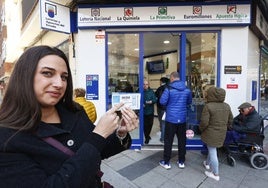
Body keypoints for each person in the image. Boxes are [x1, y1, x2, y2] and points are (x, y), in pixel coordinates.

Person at [0, 45, 139, 188]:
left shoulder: (74, 111)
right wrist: (98, 134)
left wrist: (120, 133)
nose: (59, 84)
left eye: (64, 77)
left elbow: (96, 151)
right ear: (24, 76)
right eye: (47, 73)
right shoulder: (7, 137)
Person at [159, 71, 192, 169]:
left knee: (168, 141)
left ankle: (166, 162)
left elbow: (162, 101)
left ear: (172, 78)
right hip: (182, 119)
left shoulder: (168, 88)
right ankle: (181, 162)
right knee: (182, 141)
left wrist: (170, 104)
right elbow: (189, 101)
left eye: (170, 78)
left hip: (171, 119)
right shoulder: (187, 89)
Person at [199, 86, 233, 181]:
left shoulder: (208, 106)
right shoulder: (226, 106)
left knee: (213, 151)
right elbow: (231, 120)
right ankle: (207, 164)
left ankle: (215, 173)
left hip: (210, 132)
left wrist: (201, 129)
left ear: (211, 95)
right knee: (212, 148)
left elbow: (204, 122)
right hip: (222, 132)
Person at [155, 77, 169, 142]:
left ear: (161, 81)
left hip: (161, 108)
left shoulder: (160, 88)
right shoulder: (169, 88)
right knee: (165, 122)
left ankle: (163, 138)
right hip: (167, 108)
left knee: (162, 122)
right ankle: (164, 135)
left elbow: (156, 96)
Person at [143, 79, 157, 144]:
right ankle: (146, 137)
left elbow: (155, 99)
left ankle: (147, 135)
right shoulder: (139, 91)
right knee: (144, 125)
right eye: (144, 84)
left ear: (148, 85)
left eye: (146, 84)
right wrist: (141, 104)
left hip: (150, 111)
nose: (145, 86)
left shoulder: (151, 91)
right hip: (143, 112)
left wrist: (151, 101)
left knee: (150, 124)